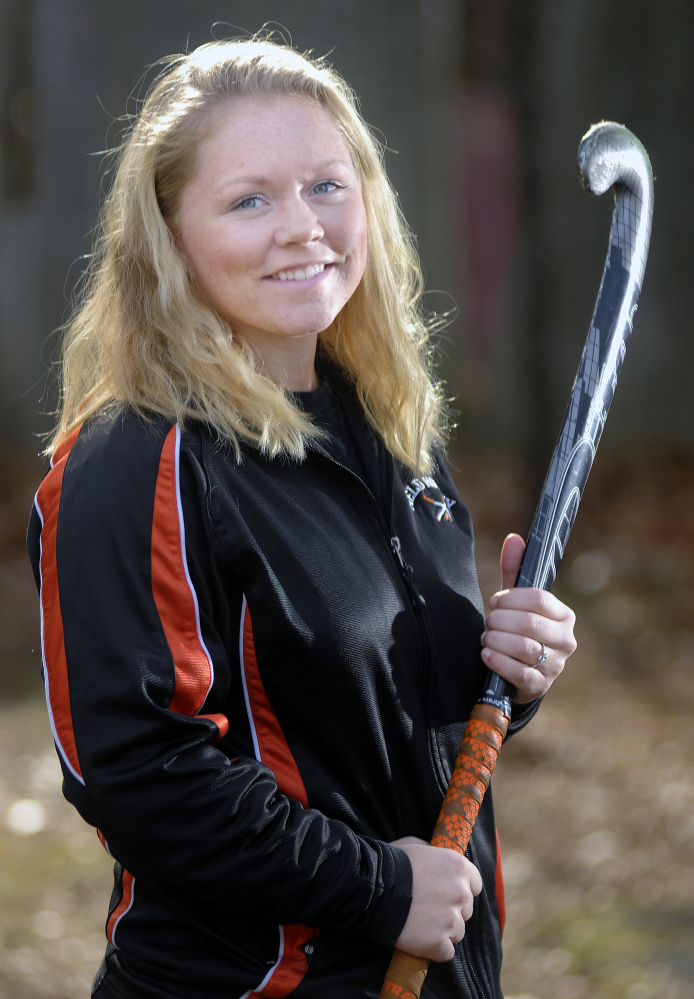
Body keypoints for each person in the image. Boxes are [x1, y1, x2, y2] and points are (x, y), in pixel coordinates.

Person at [27, 35, 576, 999]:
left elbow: (375, 716)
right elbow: (141, 775)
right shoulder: (134, 459)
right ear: (169, 237)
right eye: (249, 200)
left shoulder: (389, 428)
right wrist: (380, 884)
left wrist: (506, 675)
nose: (303, 227)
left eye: (327, 184)